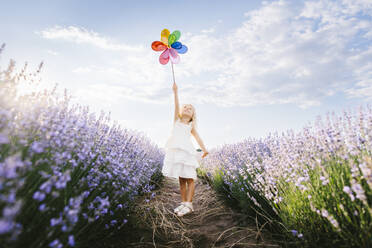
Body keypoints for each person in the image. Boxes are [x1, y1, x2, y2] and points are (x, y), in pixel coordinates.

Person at [162, 81, 209, 217]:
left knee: (190, 178)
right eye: (186, 107)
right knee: (181, 179)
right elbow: (176, 105)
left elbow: (198, 138)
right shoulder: (176, 120)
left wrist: (204, 149)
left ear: (193, 114)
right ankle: (183, 202)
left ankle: (189, 204)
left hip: (187, 152)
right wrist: (175, 92)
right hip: (177, 152)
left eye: (190, 108)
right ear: (182, 112)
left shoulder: (191, 126)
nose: (187, 108)